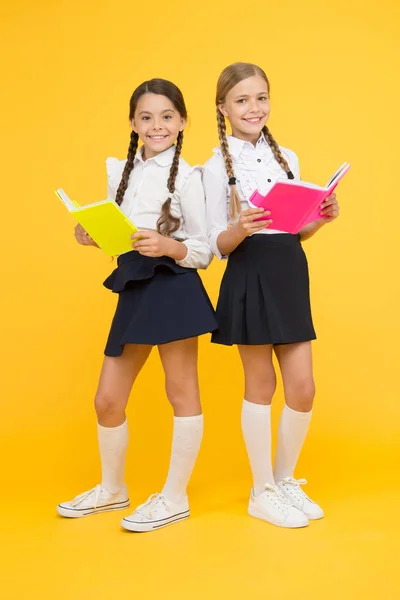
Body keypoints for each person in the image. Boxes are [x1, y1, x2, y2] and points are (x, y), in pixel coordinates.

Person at [57, 78, 217, 532]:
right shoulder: (119, 172)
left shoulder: (190, 176)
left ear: (182, 121)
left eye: (167, 116)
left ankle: (174, 497)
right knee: (107, 400)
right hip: (135, 283)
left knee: (181, 392)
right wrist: (92, 237)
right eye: (146, 117)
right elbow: (121, 235)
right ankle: (112, 490)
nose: (157, 125)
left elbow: (204, 250)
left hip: (174, 284)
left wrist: (168, 245)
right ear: (133, 123)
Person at [203, 62, 340, 528]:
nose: (253, 107)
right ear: (223, 108)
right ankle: (260, 492)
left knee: (303, 389)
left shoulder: (290, 159)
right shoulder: (212, 169)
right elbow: (214, 247)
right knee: (261, 387)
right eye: (241, 100)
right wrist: (238, 228)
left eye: (260, 97)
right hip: (249, 271)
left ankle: (282, 482)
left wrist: (320, 218)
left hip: (288, 272)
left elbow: (293, 232)